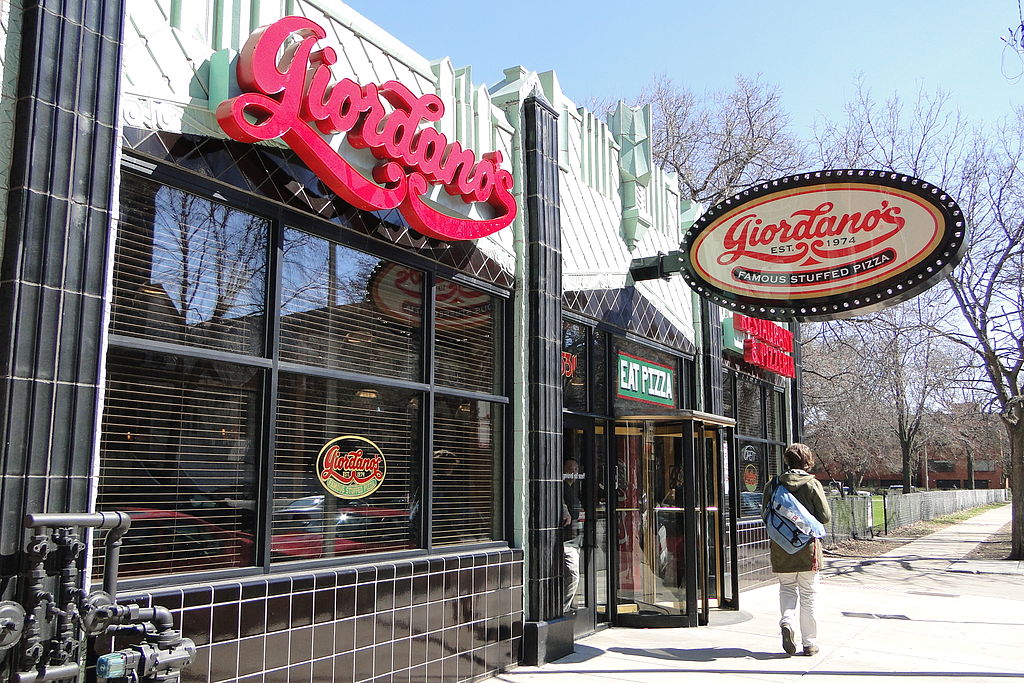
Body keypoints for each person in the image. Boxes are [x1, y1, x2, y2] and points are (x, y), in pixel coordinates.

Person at [762, 442, 831, 657]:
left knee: (787, 589)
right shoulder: (812, 484)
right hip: (808, 549)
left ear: (787, 460)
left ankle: (787, 622)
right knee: (808, 595)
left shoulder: (773, 484)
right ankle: (809, 643)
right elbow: (825, 517)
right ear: (807, 461)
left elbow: (765, 514)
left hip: (781, 548)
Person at [561, 457, 584, 613]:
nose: (573, 472)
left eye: (576, 469)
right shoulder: (560, 487)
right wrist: (566, 512)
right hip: (566, 540)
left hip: (575, 539)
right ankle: (564, 609)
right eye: (570, 468)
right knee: (573, 574)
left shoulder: (573, 488)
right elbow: (561, 503)